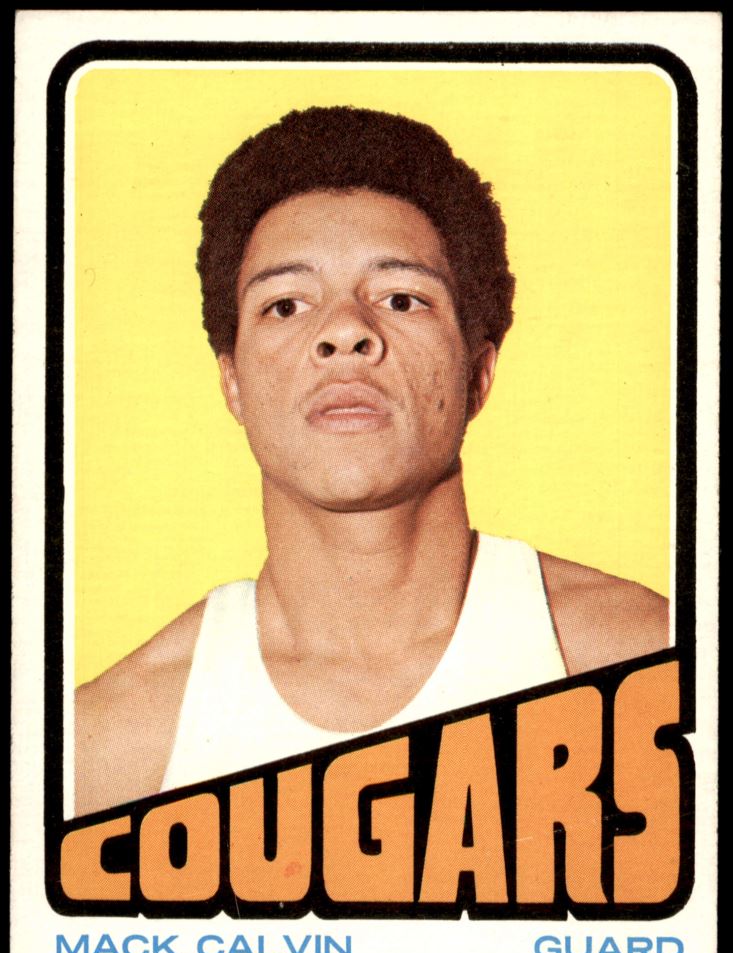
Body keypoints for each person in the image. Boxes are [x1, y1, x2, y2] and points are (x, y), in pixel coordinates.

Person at [75, 106, 668, 817]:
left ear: (478, 373)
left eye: (401, 298)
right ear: (232, 382)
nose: (345, 332)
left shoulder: (651, 664)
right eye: (286, 305)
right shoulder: (104, 749)